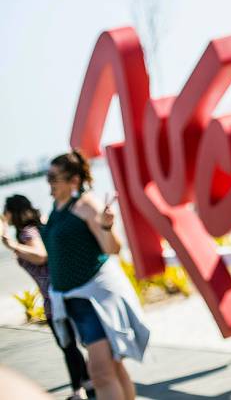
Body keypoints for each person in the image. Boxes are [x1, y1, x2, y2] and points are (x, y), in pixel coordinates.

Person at [41, 150, 149, 400]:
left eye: (53, 177)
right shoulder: (58, 207)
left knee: (99, 373)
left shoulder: (86, 205)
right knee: (113, 368)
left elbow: (113, 249)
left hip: (94, 301)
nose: (49, 182)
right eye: (47, 176)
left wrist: (106, 226)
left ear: (73, 181)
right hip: (73, 302)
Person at [2, 194, 93, 400]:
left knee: (67, 344)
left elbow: (41, 256)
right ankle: (87, 381)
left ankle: (79, 389)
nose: (4, 215)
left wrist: (11, 245)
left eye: (6, 211)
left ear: (14, 211)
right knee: (76, 342)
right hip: (65, 290)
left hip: (55, 297)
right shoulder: (40, 227)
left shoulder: (27, 233)